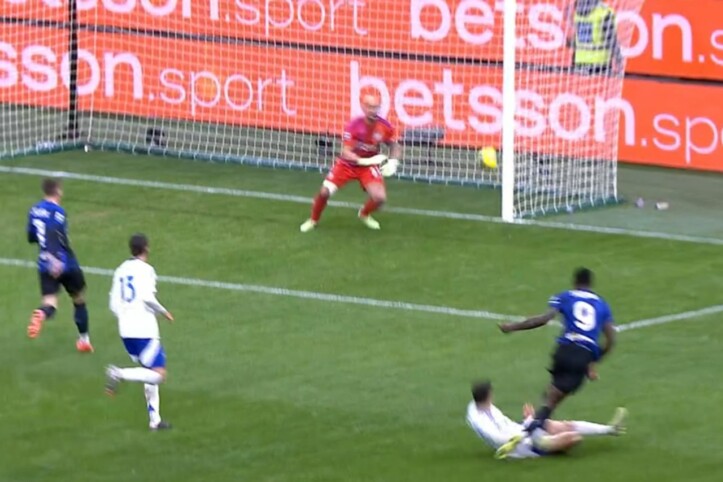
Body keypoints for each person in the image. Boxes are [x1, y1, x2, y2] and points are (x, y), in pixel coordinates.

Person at [495, 268, 616, 459]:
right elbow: (610, 340)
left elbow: (543, 319)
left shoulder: (565, 296)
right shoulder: (603, 305)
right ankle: (527, 435)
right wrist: (593, 360)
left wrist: (512, 327)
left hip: (563, 351)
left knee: (549, 397)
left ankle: (534, 430)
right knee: (551, 403)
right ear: (591, 284)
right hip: (583, 355)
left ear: (575, 282)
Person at [300, 94, 401, 232]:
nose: (373, 110)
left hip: (368, 167)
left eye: (375, 107)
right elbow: (346, 152)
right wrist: (365, 160)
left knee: (380, 198)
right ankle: (313, 220)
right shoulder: (354, 126)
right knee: (324, 192)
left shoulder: (384, 126)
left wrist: (393, 161)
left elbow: (394, 145)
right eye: (369, 107)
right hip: (347, 165)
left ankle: (364, 214)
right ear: (363, 107)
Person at [106, 234, 173, 431]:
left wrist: (125, 316)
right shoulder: (146, 270)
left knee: (148, 372)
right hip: (144, 329)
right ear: (146, 248)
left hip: (126, 331)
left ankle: (155, 420)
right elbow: (147, 298)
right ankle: (118, 373)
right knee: (159, 375)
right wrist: (164, 312)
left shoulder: (120, 270)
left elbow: (113, 304)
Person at [466, 380, 626, 460]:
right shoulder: (481, 421)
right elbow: (501, 440)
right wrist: (527, 429)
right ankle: (554, 448)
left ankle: (610, 429)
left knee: (561, 425)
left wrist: (528, 422)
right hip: (523, 446)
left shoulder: (479, 406)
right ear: (489, 395)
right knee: (574, 438)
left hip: (521, 430)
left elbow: (506, 425)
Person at [26, 178, 93, 353]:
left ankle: (42, 313)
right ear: (58, 191)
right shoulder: (59, 212)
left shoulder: (34, 210)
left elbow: (31, 237)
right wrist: (57, 260)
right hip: (66, 263)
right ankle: (84, 340)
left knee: (50, 304)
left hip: (45, 264)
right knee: (79, 299)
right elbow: (55, 234)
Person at [570, 0, 623, 76]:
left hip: (579, 63)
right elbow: (611, 40)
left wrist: (573, 60)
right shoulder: (604, 13)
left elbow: (577, 39)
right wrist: (619, 61)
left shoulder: (577, 12)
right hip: (600, 64)